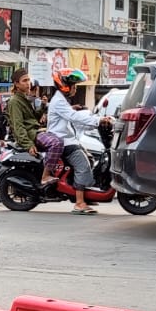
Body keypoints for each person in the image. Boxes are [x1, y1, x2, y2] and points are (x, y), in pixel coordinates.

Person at [47, 69, 114, 214]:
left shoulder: (62, 100)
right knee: (83, 165)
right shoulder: (59, 100)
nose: (75, 88)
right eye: (74, 85)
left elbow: (73, 116)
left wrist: (94, 119)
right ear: (64, 85)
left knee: (89, 160)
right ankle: (79, 202)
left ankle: (83, 193)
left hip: (69, 139)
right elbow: (73, 117)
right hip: (63, 142)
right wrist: (98, 120)